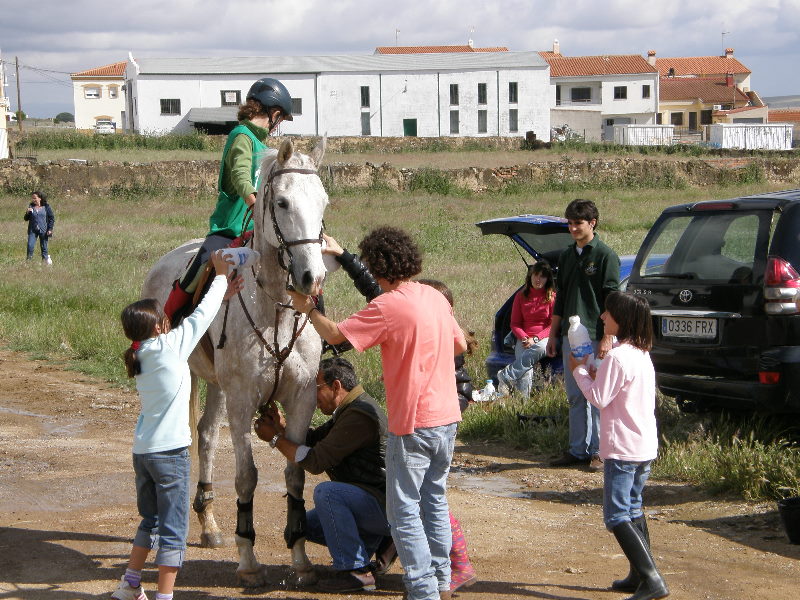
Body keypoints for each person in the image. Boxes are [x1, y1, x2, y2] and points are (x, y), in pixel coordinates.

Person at [288, 227, 467, 600]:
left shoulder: (388, 306)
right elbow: (459, 343)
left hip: (414, 421)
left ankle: (422, 590)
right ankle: (441, 581)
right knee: (434, 501)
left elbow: (336, 337)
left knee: (404, 512)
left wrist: (308, 308)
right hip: (447, 417)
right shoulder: (433, 296)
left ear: (377, 265)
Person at [111, 251, 242, 600]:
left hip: (143, 453)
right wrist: (220, 275)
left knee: (149, 522)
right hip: (170, 456)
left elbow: (199, 315)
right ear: (159, 326)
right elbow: (201, 314)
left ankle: (130, 583)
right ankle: (164, 597)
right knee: (172, 531)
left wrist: (223, 293)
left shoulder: (140, 355)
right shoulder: (172, 346)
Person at [253, 357, 390, 593]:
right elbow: (316, 440)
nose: (312, 398)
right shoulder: (352, 407)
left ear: (336, 386)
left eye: (315, 389)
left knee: (327, 494)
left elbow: (316, 461)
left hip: (382, 506)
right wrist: (282, 427)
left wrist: (275, 439)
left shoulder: (359, 415)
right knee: (299, 527)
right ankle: (370, 547)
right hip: (372, 502)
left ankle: (356, 570)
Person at [163, 77, 293, 323]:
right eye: (281, 120)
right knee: (199, 265)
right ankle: (163, 324)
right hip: (230, 228)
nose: (277, 127)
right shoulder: (242, 136)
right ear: (274, 113)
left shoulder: (262, 146)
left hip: (258, 230)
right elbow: (240, 175)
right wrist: (253, 204)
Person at [568, 291, 669, 600]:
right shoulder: (641, 353)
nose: (602, 317)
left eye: (607, 313)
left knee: (616, 515)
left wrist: (578, 369)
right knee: (634, 507)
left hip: (622, 447)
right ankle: (639, 574)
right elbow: (613, 389)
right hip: (642, 444)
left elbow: (598, 398)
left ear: (620, 319)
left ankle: (651, 579)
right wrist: (595, 372)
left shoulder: (618, 356)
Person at [546, 199, 620, 471]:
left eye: (578, 223)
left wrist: (608, 337)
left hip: (597, 332)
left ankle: (600, 451)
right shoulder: (566, 256)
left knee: (599, 395)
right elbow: (561, 298)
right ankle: (578, 450)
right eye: (570, 223)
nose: (573, 228)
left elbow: (611, 299)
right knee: (576, 394)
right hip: (570, 336)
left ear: (593, 223)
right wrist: (554, 334)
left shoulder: (605, 255)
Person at [496, 262, 555, 398]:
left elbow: (552, 325)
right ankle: (523, 404)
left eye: (542, 276)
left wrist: (535, 339)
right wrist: (524, 338)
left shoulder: (552, 297)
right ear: (530, 276)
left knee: (539, 348)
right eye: (535, 275)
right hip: (523, 338)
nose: (538, 279)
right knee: (526, 369)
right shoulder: (520, 296)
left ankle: (506, 375)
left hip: (545, 338)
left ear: (548, 279)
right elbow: (515, 324)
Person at [24, 191, 55, 264]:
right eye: (32, 198)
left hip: (44, 230)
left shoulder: (46, 207)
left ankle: (45, 262)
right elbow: (26, 218)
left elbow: (51, 218)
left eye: (35, 198)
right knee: (30, 245)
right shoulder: (31, 206)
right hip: (32, 230)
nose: (33, 200)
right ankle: (28, 261)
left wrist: (50, 229)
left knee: (44, 247)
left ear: (40, 198)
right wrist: (27, 213)